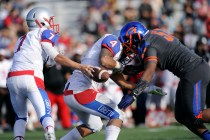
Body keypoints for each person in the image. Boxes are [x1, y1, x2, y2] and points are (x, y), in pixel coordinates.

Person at [6, 7, 94, 140]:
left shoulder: (21, 39)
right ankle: (50, 136)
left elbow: (38, 62)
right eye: (49, 20)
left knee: (21, 117)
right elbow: (56, 56)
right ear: (40, 21)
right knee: (46, 115)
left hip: (13, 78)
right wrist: (80, 66)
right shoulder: (43, 32)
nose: (51, 24)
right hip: (31, 77)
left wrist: (48, 63)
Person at [60, 33, 166, 140]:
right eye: (135, 45)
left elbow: (123, 84)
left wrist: (147, 89)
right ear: (129, 39)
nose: (134, 51)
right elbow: (105, 60)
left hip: (74, 91)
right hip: (80, 90)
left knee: (94, 126)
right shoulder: (113, 41)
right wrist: (120, 67)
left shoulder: (114, 58)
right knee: (118, 115)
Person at [118, 21, 210, 139]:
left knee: (196, 115)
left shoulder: (149, 44)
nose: (129, 45)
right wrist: (133, 68)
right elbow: (161, 55)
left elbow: (149, 72)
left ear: (136, 36)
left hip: (194, 72)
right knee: (181, 116)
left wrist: (134, 93)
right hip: (191, 71)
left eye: (128, 40)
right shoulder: (153, 35)